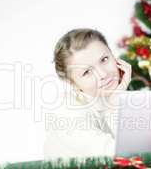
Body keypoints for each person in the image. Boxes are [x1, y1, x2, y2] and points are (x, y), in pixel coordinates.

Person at [44, 28, 132, 161]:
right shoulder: (60, 108)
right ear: (72, 83)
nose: (103, 74)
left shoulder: (117, 95)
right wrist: (118, 104)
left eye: (104, 59)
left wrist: (118, 100)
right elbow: (121, 155)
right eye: (87, 72)